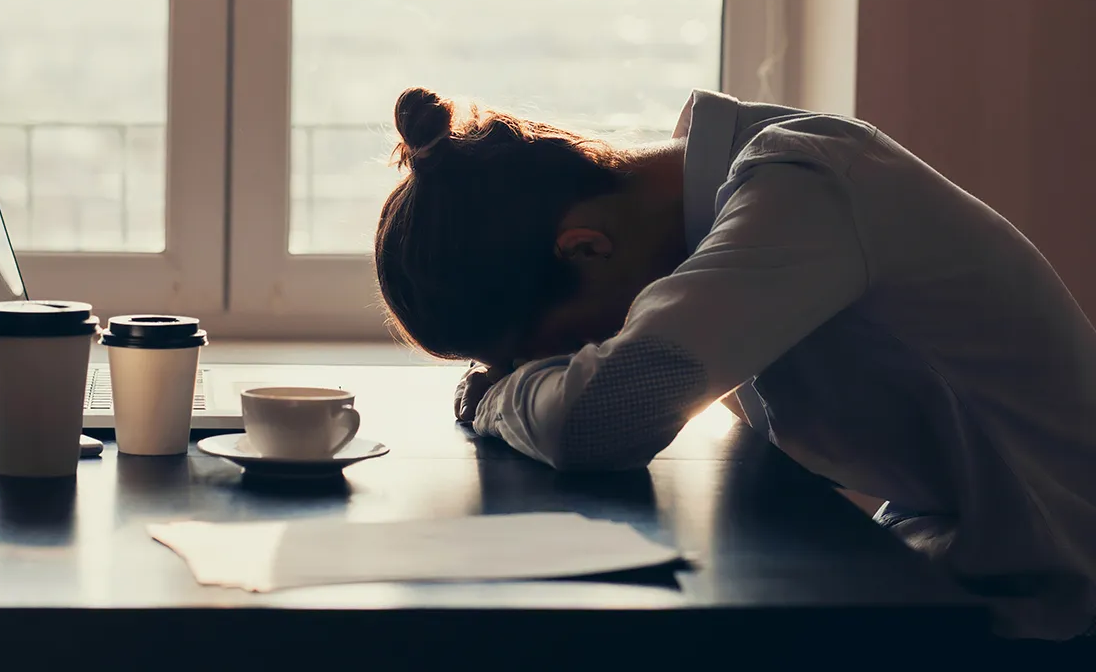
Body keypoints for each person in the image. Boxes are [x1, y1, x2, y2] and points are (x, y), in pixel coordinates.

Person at [374, 85, 1096, 641]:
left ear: (586, 247)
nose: (562, 365)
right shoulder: (727, 204)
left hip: (1053, 604)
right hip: (957, 567)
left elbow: (602, 415)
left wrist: (492, 399)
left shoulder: (803, 187)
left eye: (543, 354)